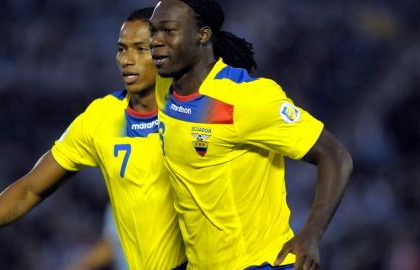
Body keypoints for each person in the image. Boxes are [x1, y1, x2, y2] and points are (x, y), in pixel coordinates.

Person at [0, 7, 187, 270]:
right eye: (121, 49)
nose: (127, 59)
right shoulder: (100, 119)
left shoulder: (203, 109)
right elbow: (30, 188)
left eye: (140, 49)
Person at [149, 0, 353, 269]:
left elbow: (335, 155)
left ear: (202, 34)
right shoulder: (164, 89)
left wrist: (311, 234)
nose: (155, 41)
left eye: (169, 31)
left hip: (260, 263)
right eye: (153, 31)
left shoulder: (245, 99)